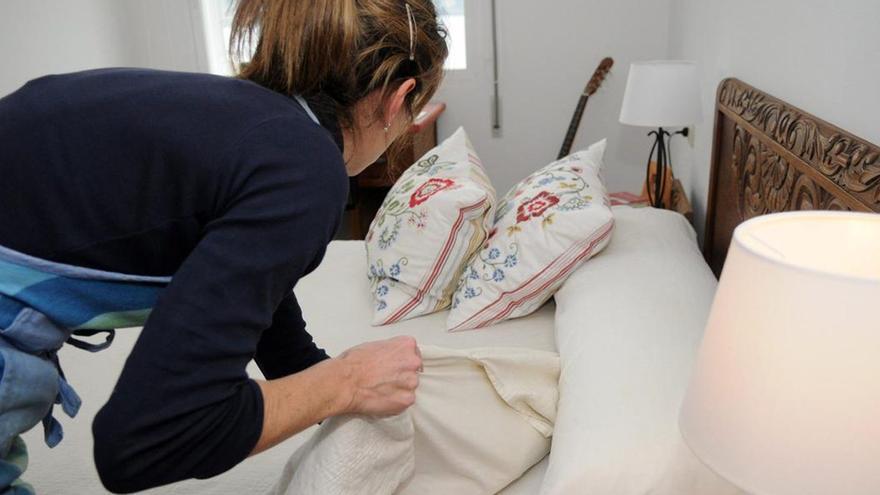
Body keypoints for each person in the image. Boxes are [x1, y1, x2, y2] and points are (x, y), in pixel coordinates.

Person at [0, 0, 448, 492]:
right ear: (398, 99)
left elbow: (259, 303)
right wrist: (348, 381)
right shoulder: (306, 168)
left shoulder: (248, 122)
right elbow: (146, 441)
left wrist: (347, 392)